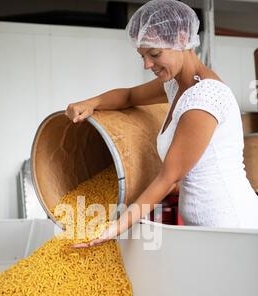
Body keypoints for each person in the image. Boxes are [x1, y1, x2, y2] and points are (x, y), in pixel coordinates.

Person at [65, 0, 258, 248]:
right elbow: (129, 96)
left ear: (181, 39)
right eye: (142, 55)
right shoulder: (176, 85)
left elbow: (168, 177)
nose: (147, 64)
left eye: (154, 54)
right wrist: (90, 103)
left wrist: (115, 227)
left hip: (231, 226)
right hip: (206, 230)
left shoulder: (205, 98)